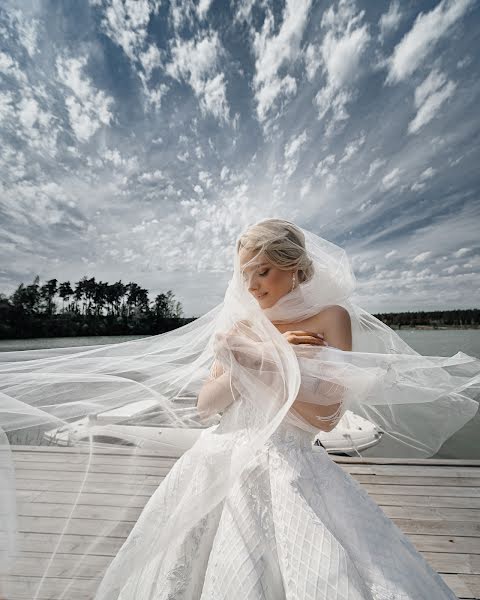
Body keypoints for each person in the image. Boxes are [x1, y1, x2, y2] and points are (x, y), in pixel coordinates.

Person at [1, 218, 478, 599]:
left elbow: (327, 418)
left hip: (290, 461)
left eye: (263, 271)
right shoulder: (240, 322)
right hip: (214, 460)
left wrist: (273, 359)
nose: (251, 284)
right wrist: (247, 357)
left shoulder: (332, 318)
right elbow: (207, 407)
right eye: (244, 273)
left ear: (295, 266)